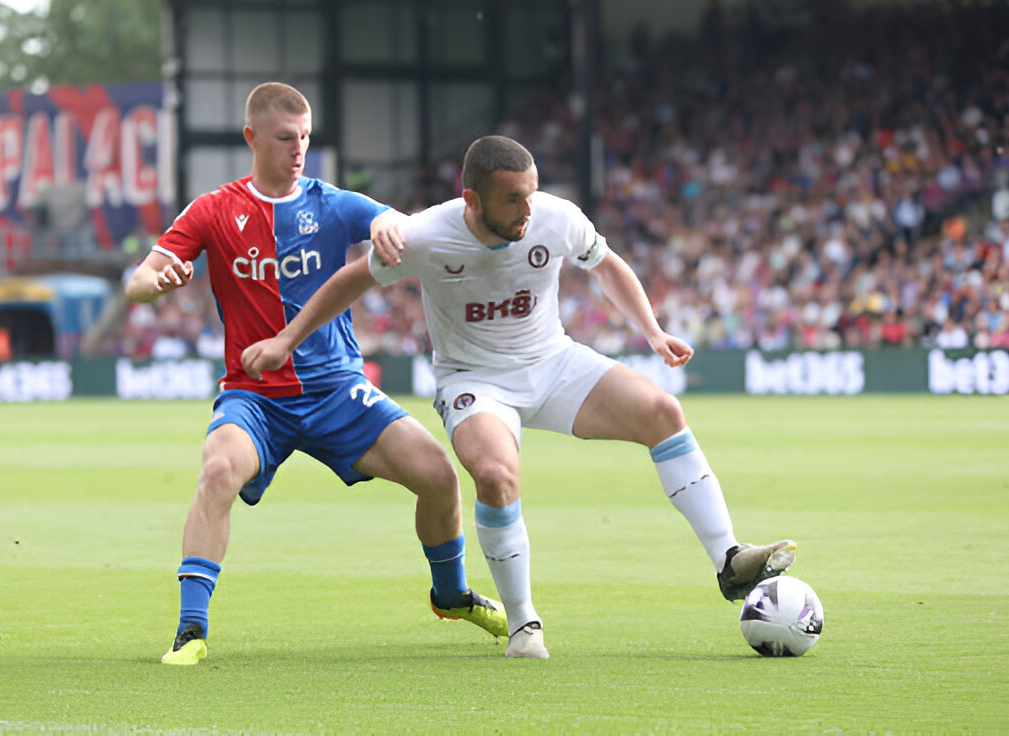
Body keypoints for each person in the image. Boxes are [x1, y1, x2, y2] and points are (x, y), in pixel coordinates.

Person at [242, 135, 796, 659]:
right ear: (472, 200)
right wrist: (286, 339)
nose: (526, 210)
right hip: (474, 380)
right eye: (512, 199)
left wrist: (652, 331)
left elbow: (607, 266)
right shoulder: (427, 236)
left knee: (662, 411)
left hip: (553, 363)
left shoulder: (555, 217)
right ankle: (524, 622)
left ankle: (729, 560)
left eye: (529, 193)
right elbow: (349, 281)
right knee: (496, 475)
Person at [123, 83, 507, 666]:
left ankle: (450, 595)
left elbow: (401, 225)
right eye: (285, 138)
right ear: (252, 138)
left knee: (438, 475)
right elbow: (137, 280)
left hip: (337, 390)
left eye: (305, 137)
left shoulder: (333, 204)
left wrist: (387, 226)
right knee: (219, 468)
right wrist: (156, 284)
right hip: (255, 396)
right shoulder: (213, 210)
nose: (298, 149)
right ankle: (190, 630)